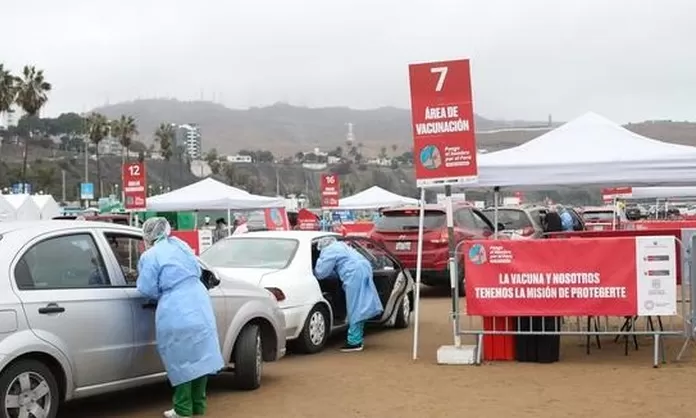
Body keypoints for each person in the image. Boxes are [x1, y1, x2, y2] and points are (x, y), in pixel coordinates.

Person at [137, 217, 225, 418]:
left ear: (148, 235)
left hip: (176, 307)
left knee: (181, 359)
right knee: (201, 357)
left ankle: (182, 409)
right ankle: (198, 406)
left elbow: (146, 288)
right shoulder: (181, 245)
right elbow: (196, 269)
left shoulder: (151, 256)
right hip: (199, 302)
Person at [313, 236, 383, 352]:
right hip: (364, 269)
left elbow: (321, 273)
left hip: (354, 274)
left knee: (355, 307)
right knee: (361, 304)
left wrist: (313, 270)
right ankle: (357, 337)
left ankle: (354, 342)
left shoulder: (328, 251)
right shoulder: (341, 245)